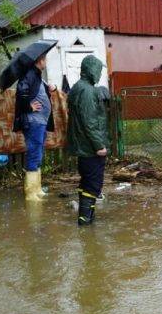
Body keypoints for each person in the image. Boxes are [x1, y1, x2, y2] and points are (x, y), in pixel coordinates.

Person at [66, 55, 109, 226]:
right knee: (93, 184)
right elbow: (89, 122)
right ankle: (85, 222)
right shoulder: (87, 91)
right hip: (90, 148)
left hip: (82, 147)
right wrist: (99, 146)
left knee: (86, 183)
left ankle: (87, 218)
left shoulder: (78, 87)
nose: (99, 73)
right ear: (92, 70)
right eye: (98, 70)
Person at [14, 53, 57, 201]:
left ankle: (37, 189)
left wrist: (53, 88)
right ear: (39, 60)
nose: (46, 62)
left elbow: (45, 90)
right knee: (34, 153)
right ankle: (31, 193)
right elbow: (21, 91)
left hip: (40, 122)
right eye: (45, 59)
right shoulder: (30, 74)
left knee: (38, 154)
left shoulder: (37, 75)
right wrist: (29, 106)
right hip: (33, 121)